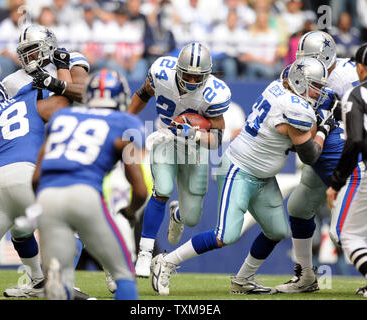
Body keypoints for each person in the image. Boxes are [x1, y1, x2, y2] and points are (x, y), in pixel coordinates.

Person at [150, 57, 332, 296]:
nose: (318, 92)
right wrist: (324, 127)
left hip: (263, 176)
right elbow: (310, 155)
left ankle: (243, 279)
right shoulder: (295, 108)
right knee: (225, 235)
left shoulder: (280, 86)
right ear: (299, 82)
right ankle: (166, 262)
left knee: (277, 231)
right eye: (315, 86)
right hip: (239, 169)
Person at [33, 68, 147, 300]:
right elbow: (141, 189)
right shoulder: (125, 123)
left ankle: (60, 286)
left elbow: (36, 177)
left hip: (48, 194)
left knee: (62, 277)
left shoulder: (63, 117)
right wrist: (130, 211)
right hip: (84, 193)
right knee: (123, 273)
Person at [0, 24, 90, 299]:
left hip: (70, 147)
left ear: (49, 47)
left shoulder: (71, 59)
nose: (28, 58)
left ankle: (69, 281)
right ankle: (39, 281)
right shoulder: (13, 81)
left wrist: (53, 81)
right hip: (35, 152)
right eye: (24, 53)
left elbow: (84, 93)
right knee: (21, 226)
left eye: (33, 51)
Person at [128, 41, 230, 278]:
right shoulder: (161, 73)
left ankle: (178, 215)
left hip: (195, 147)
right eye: (188, 75)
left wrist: (193, 133)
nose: (192, 81)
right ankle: (144, 254)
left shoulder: (214, 94)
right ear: (177, 69)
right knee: (162, 189)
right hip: (165, 139)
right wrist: (124, 119)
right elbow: (143, 93)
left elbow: (216, 139)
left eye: (198, 77)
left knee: (192, 217)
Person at [272, 31, 362, 294]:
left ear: (324, 57)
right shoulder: (304, 74)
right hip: (321, 154)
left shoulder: (348, 78)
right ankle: (306, 277)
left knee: (342, 231)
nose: (301, 65)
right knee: (299, 208)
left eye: (307, 59)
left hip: (345, 160)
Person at [0, 78, 69, 294]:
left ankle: (39, 281)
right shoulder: (23, 100)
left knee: (21, 229)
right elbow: (64, 105)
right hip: (23, 173)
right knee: (72, 225)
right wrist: (60, 80)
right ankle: (107, 276)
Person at [326, 43, 367, 298]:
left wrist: (336, 181)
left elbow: (353, 142)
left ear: (360, 67)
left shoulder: (356, 94)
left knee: (346, 234)